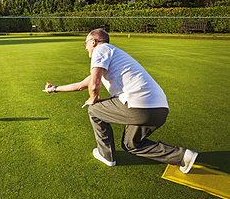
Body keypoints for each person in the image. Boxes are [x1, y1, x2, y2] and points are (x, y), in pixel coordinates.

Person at [43, 28, 198, 173]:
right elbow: (81, 85)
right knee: (131, 144)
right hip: (160, 110)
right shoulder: (111, 58)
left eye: (86, 44)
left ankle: (106, 155)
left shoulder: (101, 50)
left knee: (94, 109)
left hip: (139, 106)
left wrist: (93, 99)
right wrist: (54, 88)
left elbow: (95, 84)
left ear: (93, 42)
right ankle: (182, 157)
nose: (85, 48)